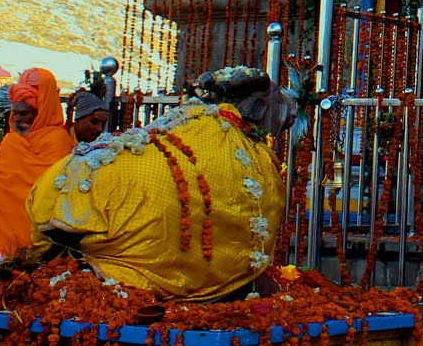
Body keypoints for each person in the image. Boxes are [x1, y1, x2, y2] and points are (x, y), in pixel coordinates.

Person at [26, 65, 289, 301]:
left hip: (58, 196)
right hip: (113, 211)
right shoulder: (225, 140)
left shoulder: (190, 122)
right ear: (260, 109)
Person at [0, 69, 73, 259]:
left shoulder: (58, 141)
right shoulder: (10, 142)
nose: (18, 119)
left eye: (25, 113)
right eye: (15, 114)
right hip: (7, 245)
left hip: (47, 250)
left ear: (41, 112)